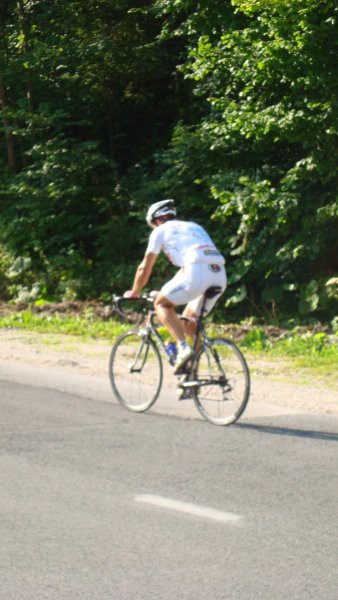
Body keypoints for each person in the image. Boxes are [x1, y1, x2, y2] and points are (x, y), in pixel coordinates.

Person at [124, 199, 227, 372]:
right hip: (219, 274)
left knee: (161, 304)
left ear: (156, 220)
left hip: (196, 272)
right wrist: (165, 290)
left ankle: (182, 347)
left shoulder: (160, 231)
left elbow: (145, 267)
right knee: (190, 323)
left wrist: (135, 292)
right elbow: (189, 267)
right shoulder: (195, 227)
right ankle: (192, 375)